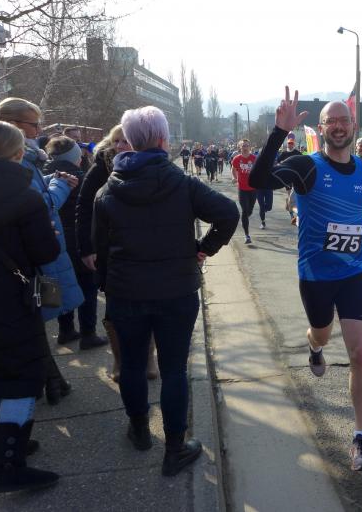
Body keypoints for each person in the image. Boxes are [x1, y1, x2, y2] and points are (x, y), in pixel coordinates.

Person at [250, 88, 362, 472]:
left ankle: (361, 437)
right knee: (322, 333)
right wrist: (279, 132)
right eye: (331, 121)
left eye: (344, 120)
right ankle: (314, 347)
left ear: (353, 125)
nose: (338, 126)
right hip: (315, 274)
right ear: (322, 127)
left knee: (360, 354)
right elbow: (258, 178)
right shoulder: (306, 166)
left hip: (354, 272)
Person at [93, 106, 238, 476]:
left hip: (126, 291)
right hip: (176, 289)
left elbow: (101, 250)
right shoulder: (182, 183)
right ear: (162, 139)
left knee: (132, 364)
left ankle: (140, 430)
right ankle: (174, 448)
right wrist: (203, 248)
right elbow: (228, 213)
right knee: (174, 368)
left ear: (130, 140)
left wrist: (109, 288)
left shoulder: (107, 191)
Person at [0, 121, 61, 493]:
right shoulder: (24, 195)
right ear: (18, 154)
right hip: (9, 302)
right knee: (20, 379)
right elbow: (45, 252)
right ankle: (10, 465)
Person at [0, 97, 83, 405]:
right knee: (34, 320)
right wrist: (61, 186)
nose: (40, 130)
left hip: (27, 259)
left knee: (37, 321)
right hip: (32, 260)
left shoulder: (24, 158)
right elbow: (40, 205)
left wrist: (50, 180)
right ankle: (48, 382)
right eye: (34, 124)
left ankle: (53, 379)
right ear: (15, 125)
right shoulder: (18, 160)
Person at [76, 125, 158, 382]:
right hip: (109, 249)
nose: (121, 146)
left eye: (126, 141)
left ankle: (149, 357)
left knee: (149, 303)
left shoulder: (150, 166)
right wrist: (86, 248)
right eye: (116, 141)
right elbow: (83, 207)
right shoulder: (101, 167)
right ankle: (119, 359)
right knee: (114, 307)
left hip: (144, 249)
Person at [43, 136, 108, 350]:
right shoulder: (80, 178)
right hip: (78, 241)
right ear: (74, 158)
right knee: (87, 287)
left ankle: (66, 330)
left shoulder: (41, 176)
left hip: (53, 241)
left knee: (61, 285)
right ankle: (88, 333)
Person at [231, 139, 256, 244]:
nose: (245, 148)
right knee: (245, 211)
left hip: (253, 188)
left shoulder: (254, 158)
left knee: (250, 210)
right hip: (242, 188)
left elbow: (259, 170)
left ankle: (246, 218)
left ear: (249, 147)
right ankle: (247, 235)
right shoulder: (237, 159)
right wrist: (234, 177)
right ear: (240, 148)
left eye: (246, 146)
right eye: (243, 146)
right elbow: (233, 169)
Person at [277, 134, 302, 218]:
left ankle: (290, 206)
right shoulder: (284, 153)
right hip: (287, 177)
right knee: (290, 195)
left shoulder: (297, 153)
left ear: (293, 144)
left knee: (293, 196)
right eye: (289, 143)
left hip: (296, 177)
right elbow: (278, 162)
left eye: (291, 143)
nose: (290, 145)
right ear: (287, 144)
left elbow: (303, 161)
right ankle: (291, 214)